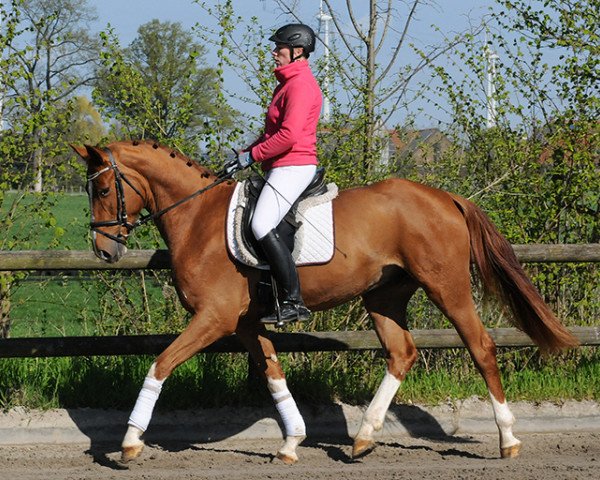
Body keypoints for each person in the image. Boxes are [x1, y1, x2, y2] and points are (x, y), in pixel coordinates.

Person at [235, 23, 323, 325]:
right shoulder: (286, 84)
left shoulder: (300, 86)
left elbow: (288, 136)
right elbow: (271, 133)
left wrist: (252, 156)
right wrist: (246, 152)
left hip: (294, 165)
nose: (274, 53)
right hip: (281, 165)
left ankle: (292, 300)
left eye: (279, 48)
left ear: (297, 51)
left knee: (261, 224)